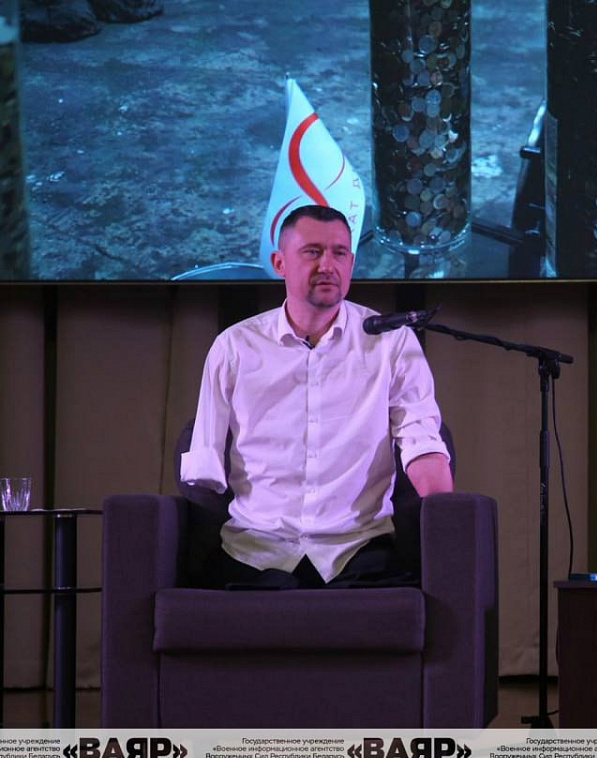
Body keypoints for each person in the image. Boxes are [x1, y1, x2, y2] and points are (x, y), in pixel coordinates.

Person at [179, 204, 453, 590]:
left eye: (339, 253)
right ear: (279, 263)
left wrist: (449, 520)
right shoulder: (235, 347)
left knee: (385, 601)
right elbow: (203, 465)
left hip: (357, 547)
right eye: (313, 252)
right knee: (243, 599)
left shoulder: (391, 342)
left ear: (351, 263)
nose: (328, 265)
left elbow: (421, 442)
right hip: (254, 548)